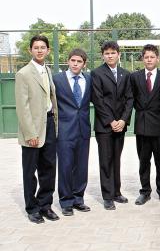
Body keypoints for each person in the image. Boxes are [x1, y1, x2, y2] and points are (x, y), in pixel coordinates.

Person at [15, 35, 59, 223]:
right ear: (30, 51)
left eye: (43, 47)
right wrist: (30, 133)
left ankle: (45, 205)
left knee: (48, 169)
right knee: (30, 171)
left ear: (48, 50)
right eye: (36, 47)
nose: (40, 50)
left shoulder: (48, 70)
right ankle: (32, 208)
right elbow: (22, 107)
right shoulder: (23, 74)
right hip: (32, 129)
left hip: (49, 124)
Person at [91, 41, 133, 210]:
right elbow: (98, 100)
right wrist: (111, 121)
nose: (110, 55)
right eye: (106, 53)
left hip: (120, 125)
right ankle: (107, 196)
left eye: (113, 53)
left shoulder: (125, 74)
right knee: (106, 160)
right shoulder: (97, 73)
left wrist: (123, 120)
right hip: (105, 126)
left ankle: (116, 192)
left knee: (116, 159)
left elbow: (130, 99)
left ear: (118, 54)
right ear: (103, 56)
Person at [130, 44, 160, 205]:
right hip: (142, 124)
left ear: (157, 58)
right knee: (143, 161)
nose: (149, 60)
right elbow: (132, 98)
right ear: (142, 59)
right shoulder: (135, 77)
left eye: (152, 57)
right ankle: (145, 191)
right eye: (146, 57)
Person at [53, 49, 92, 216]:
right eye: (73, 60)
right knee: (66, 166)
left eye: (79, 61)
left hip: (83, 129)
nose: (76, 64)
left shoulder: (89, 79)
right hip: (64, 130)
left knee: (81, 167)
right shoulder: (57, 79)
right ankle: (66, 201)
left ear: (84, 64)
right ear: (68, 61)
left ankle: (78, 199)